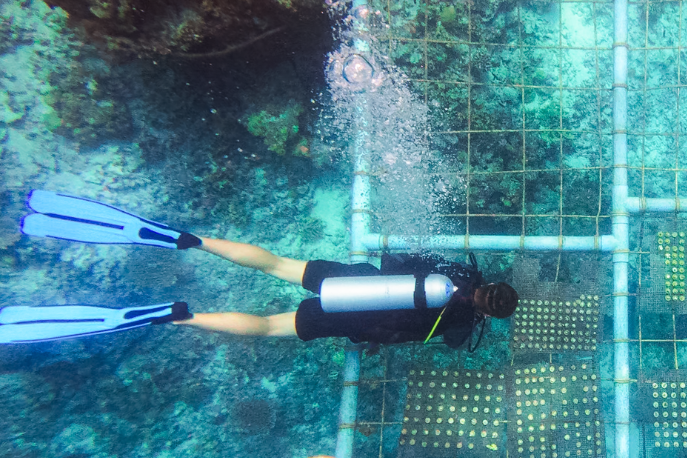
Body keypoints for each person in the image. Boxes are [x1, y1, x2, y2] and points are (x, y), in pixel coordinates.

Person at [0, 190, 518, 348]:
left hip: (352, 282)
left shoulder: (461, 270)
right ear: (491, 315)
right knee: (270, 326)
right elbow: (428, 339)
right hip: (353, 317)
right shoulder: (463, 325)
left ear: (491, 281)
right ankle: (179, 317)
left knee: (275, 262)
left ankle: (190, 240)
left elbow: (401, 260)